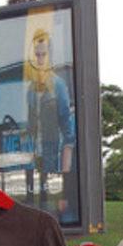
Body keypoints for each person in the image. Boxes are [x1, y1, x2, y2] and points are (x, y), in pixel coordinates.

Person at [25, 27, 77, 221]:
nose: (39, 59)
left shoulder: (58, 87)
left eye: (43, 55)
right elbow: (30, 128)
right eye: (36, 55)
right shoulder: (30, 90)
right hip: (33, 168)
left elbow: (68, 136)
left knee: (50, 218)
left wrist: (63, 189)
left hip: (53, 165)